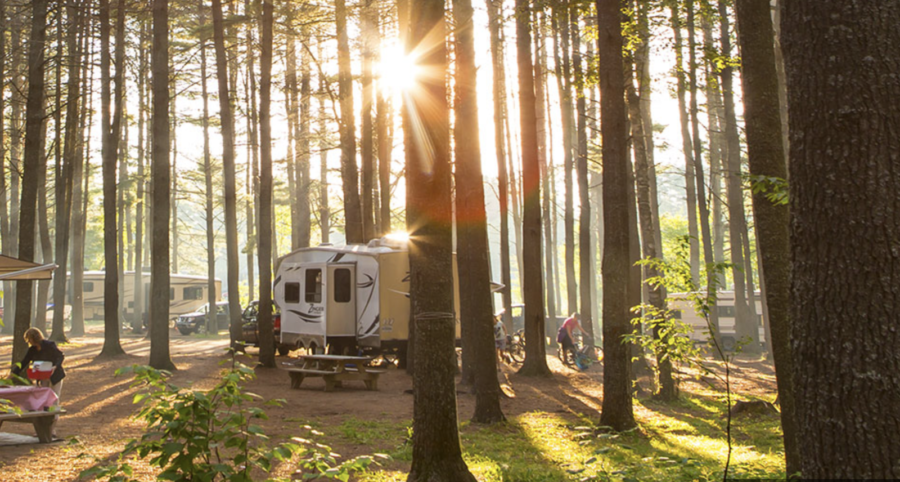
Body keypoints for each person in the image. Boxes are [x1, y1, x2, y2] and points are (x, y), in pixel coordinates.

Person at [10, 328, 66, 402]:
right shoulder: (32, 350)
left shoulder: (49, 345)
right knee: (43, 397)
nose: (28, 341)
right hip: (43, 376)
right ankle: (45, 413)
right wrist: (13, 373)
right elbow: (24, 362)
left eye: (29, 339)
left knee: (54, 397)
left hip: (56, 375)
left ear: (35, 338)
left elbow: (60, 356)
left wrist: (55, 367)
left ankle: (55, 413)